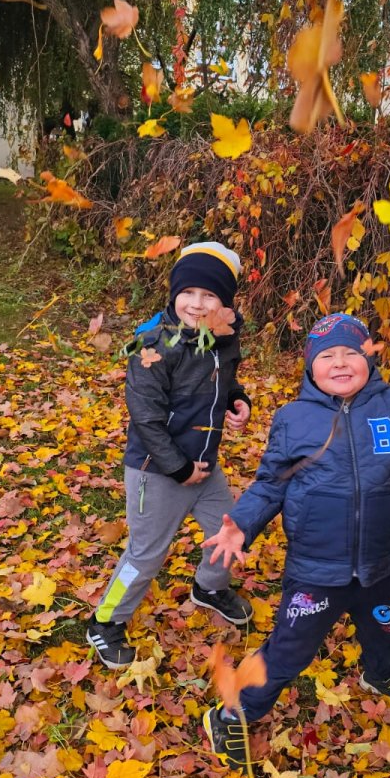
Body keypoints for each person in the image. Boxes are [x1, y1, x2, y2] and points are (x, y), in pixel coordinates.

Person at [201, 312, 390, 767]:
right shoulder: (293, 419)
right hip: (316, 570)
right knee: (288, 651)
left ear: (369, 358)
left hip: (382, 564)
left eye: (350, 353)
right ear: (310, 366)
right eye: (327, 356)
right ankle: (234, 712)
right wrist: (242, 522)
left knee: (385, 629)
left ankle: (381, 674)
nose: (340, 362)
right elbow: (270, 484)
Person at [86, 241, 253, 668]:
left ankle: (209, 587)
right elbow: (145, 416)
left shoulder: (223, 335)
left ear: (224, 302)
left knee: (228, 531)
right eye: (188, 292)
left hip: (205, 466)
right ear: (174, 293)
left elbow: (224, 379)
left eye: (209, 295)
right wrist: (178, 469)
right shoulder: (153, 346)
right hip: (157, 471)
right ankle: (105, 621)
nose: (196, 304)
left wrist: (237, 400)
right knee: (146, 553)